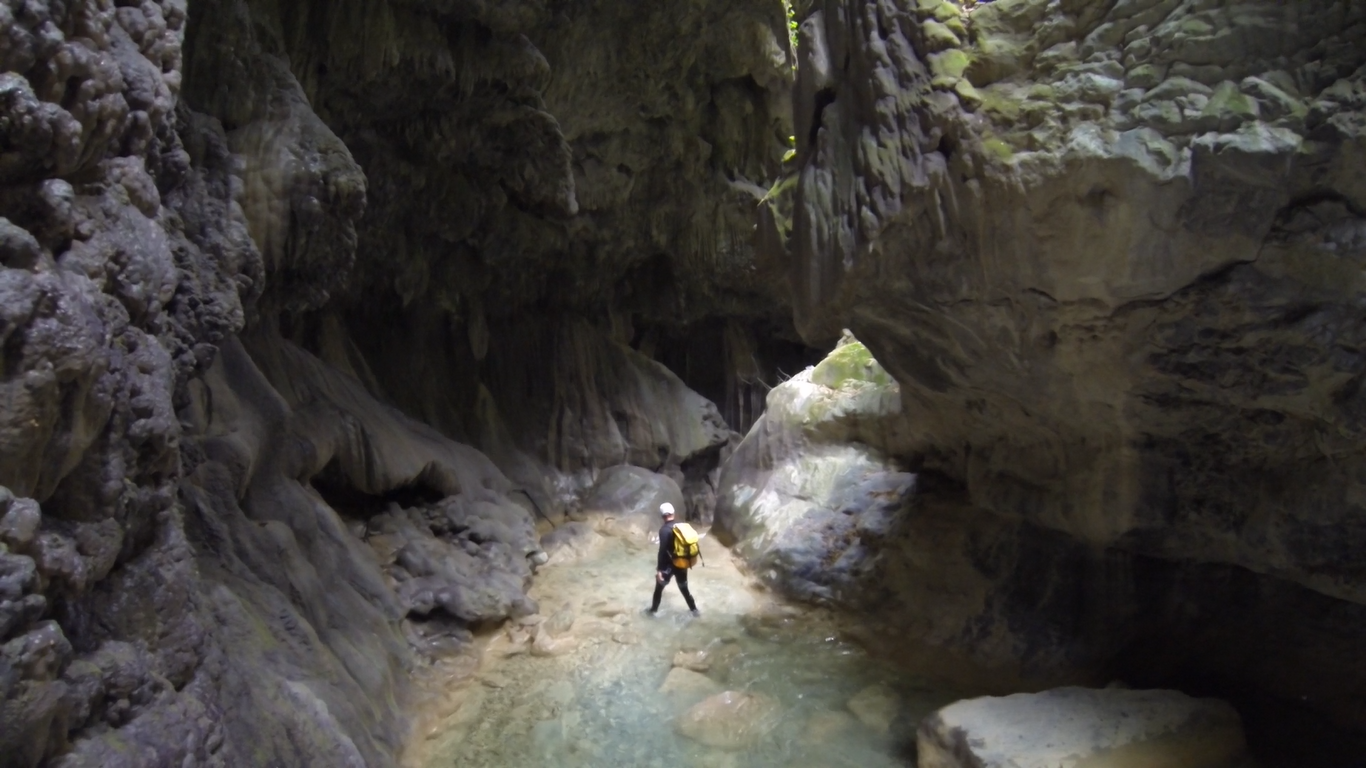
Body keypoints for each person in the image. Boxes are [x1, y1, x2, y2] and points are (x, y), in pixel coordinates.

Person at [647, 502, 699, 616]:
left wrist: (659, 570)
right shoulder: (681, 526)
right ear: (673, 513)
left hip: (668, 566)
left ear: (663, 516)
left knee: (659, 589)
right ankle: (694, 610)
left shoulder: (664, 530)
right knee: (684, 589)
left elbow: (662, 551)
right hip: (682, 563)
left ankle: (652, 612)